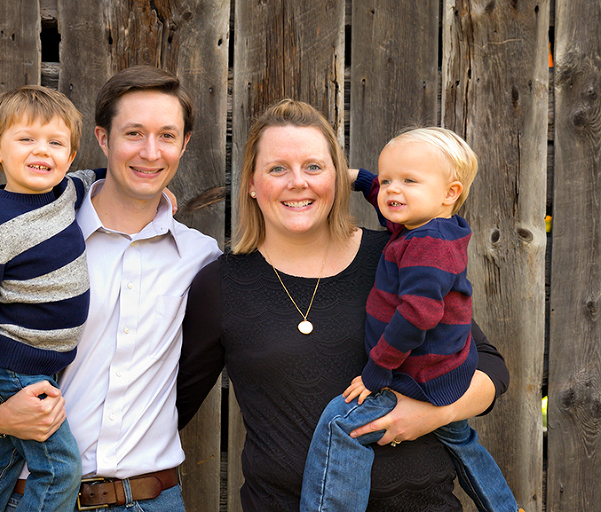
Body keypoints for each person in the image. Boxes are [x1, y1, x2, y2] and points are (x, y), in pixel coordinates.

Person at [176, 100, 510, 512]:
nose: (298, 182)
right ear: (251, 183)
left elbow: (491, 368)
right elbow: (175, 401)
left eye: (314, 167)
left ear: (337, 178)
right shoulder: (222, 284)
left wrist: (429, 415)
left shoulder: (394, 255)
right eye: (277, 168)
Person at [0, 65, 221, 511]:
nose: (150, 152)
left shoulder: (201, 258)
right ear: (104, 140)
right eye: (133, 134)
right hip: (32, 494)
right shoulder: (37, 234)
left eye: (167, 135)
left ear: (184, 144)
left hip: (151, 498)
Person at [299, 128, 519, 512]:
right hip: (450, 367)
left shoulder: (425, 247)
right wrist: (358, 179)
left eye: (408, 181)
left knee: (341, 424)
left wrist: (377, 371)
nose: (391, 191)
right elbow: (388, 203)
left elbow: (418, 314)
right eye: (387, 180)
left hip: (418, 373)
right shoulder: (431, 229)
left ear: (450, 192)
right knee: (460, 437)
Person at [0, 84, 91, 512]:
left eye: (55, 143)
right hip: (14, 366)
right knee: (60, 469)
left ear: (69, 158)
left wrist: (156, 193)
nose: (41, 151)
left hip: (42, 366)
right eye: (26, 139)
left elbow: (97, 179)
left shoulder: (67, 193)